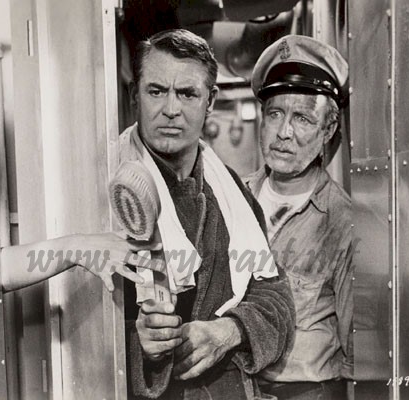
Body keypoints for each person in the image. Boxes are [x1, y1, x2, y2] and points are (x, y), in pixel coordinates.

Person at [120, 29, 295, 399]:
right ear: (135, 95)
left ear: (210, 101)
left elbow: (276, 299)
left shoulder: (231, 192)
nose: (171, 109)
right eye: (156, 91)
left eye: (187, 94)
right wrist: (139, 343)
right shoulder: (107, 188)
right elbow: (76, 324)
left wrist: (230, 331)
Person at [245, 35, 353, 399]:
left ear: (328, 130)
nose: (284, 133)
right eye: (275, 114)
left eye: (303, 118)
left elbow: (356, 351)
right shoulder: (233, 198)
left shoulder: (342, 221)